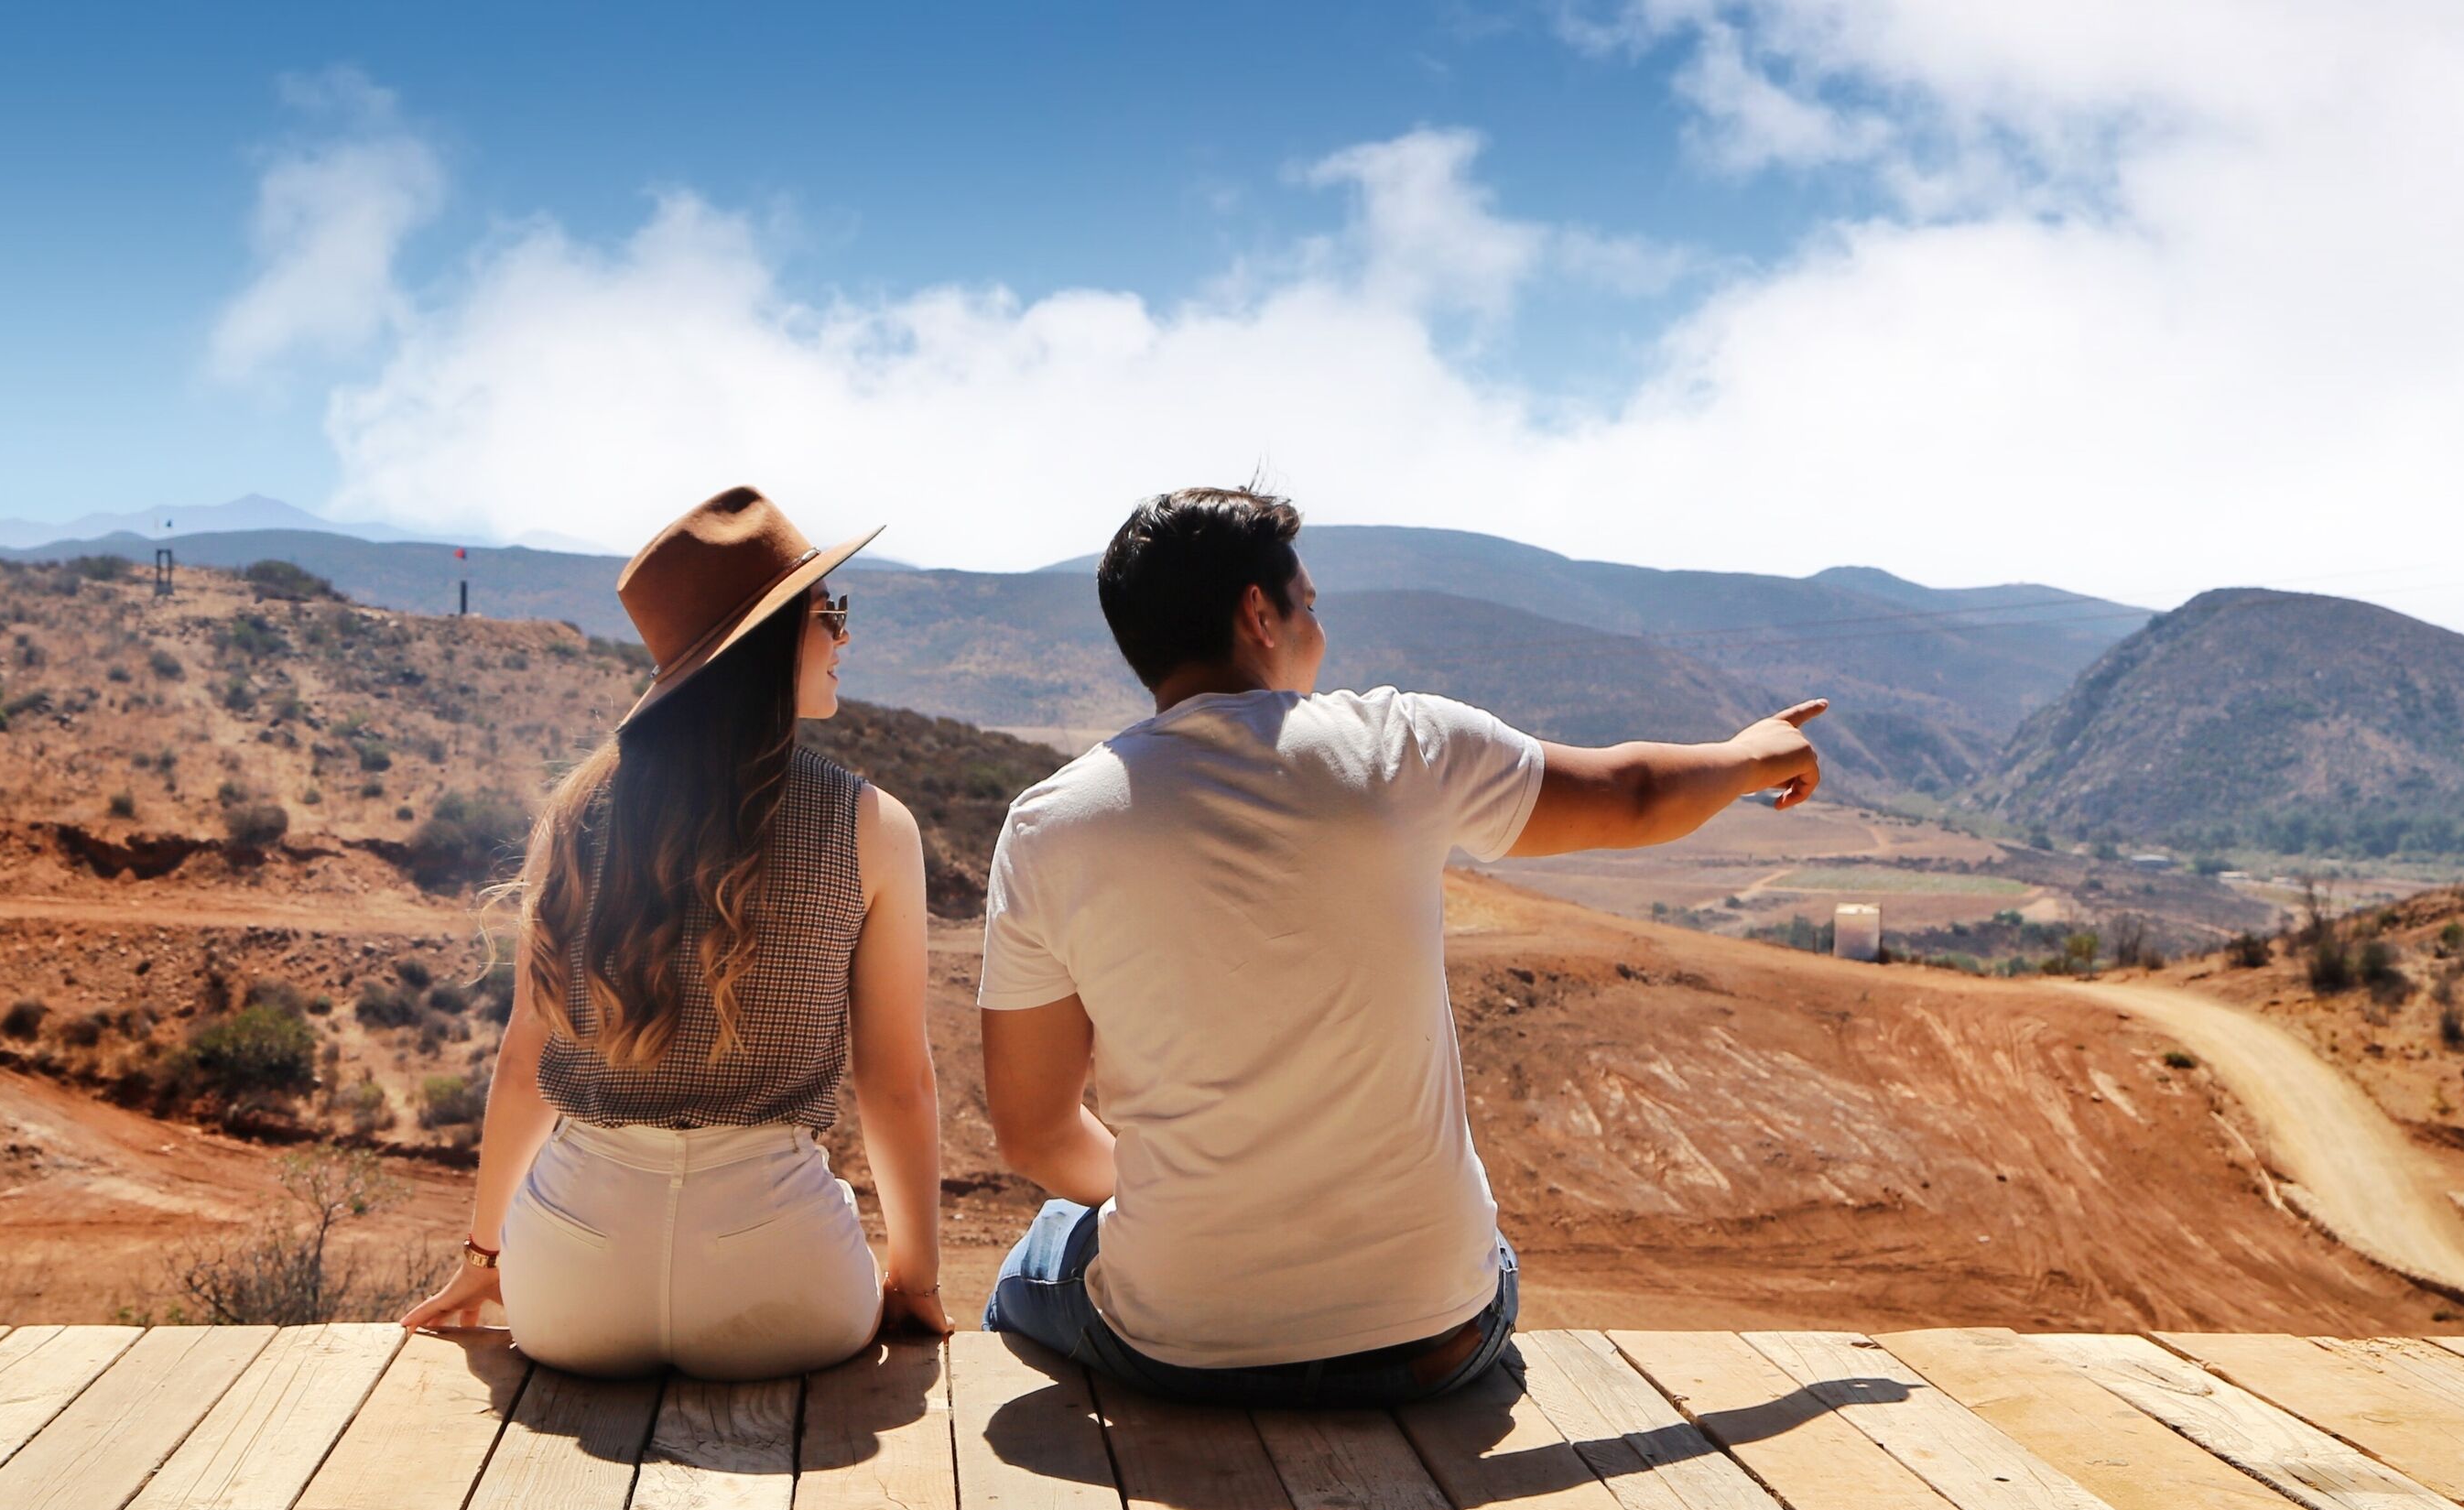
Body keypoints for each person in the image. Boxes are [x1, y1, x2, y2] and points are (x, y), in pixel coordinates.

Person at [975, 484, 1827, 1407]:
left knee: (1037, 1259)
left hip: (1180, 1344)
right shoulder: (1405, 744)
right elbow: (1631, 794)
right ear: (1258, 613)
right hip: (1439, 1333)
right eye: (1310, 603)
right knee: (1475, 1251)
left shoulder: (1050, 824)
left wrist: (1191, 1208)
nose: (1320, 627)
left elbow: (1033, 1129)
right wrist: (1753, 752)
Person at [407, 485, 953, 1376]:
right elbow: (898, 1083)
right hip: (788, 1285)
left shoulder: (576, 812)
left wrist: (484, 1258)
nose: (844, 636)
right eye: (830, 613)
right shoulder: (872, 826)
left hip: (569, 1294)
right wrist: (917, 1275)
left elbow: (522, 1065)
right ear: (773, 639)